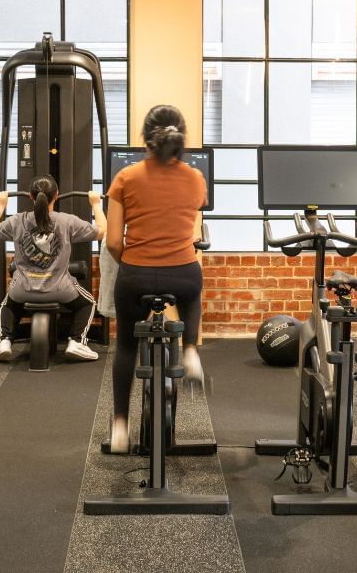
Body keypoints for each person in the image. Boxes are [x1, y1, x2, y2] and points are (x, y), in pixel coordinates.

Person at [104, 105, 207, 454]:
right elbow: (190, 232)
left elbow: (114, 241)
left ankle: (120, 425)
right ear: (181, 139)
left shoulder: (126, 178)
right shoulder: (196, 179)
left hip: (135, 276)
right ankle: (191, 350)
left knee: (126, 347)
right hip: (182, 274)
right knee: (193, 289)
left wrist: (131, 263)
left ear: (145, 140)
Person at [0, 176, 107, 363]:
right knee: (88, 303)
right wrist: (96, 204)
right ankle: (76, 342)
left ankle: (4, 341)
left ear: (31, 197)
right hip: (60, 290)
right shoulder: (67, 221)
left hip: (23, 291)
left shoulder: (17, 221)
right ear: (56, 196)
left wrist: (0, 206)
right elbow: (102, 230)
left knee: (7, 304)